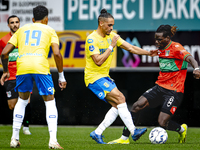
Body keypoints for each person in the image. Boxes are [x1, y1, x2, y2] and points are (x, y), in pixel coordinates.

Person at [108, 24, 200, 144]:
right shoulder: (160, 48)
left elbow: (190, 58)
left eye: (159, 39)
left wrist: (197, 68)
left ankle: (181, 129)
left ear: (167, 38)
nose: (156, 41)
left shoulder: (176, 47)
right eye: (155, 39)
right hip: (159, 87)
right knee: (136, 106)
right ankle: (124, 139)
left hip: (174, 91)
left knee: (162, 122)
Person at [84, 8, 158, 144]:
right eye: (109, 25)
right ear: (101, 23)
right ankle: (134, 131)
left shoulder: (112, 36)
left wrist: (149, 53)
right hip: (93, 77)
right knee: (121, 98)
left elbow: (131, 48)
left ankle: (97, 132)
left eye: (113, 25)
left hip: (103, 77)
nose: (112, 28)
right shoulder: (91, 39)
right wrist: (111, 46)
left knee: (118, 105)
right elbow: (98, 61)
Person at [0, 5, 67, 149]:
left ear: (32, 19)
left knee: (22, 101)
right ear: (46, 19)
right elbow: (57, 54)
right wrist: (61, 77)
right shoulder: (50, 30)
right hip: (40, 67)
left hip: (22, 67)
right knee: (49, 102)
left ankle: (14, 139)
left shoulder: (22, 29)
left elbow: (4, 53)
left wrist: (5, 71)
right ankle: (53, 141)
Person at [0, 15, 32, 135]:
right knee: (12, 105)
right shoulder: (3, 40)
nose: (15, 24)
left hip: (24, 73)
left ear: (19, 23)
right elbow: (2, 56)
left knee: (26, 101)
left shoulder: (25, 39)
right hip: (10, 76)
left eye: (17, 22)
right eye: (12, 22)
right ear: (8, 25)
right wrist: (4, 70)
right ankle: (19, 124)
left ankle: (26, 127)